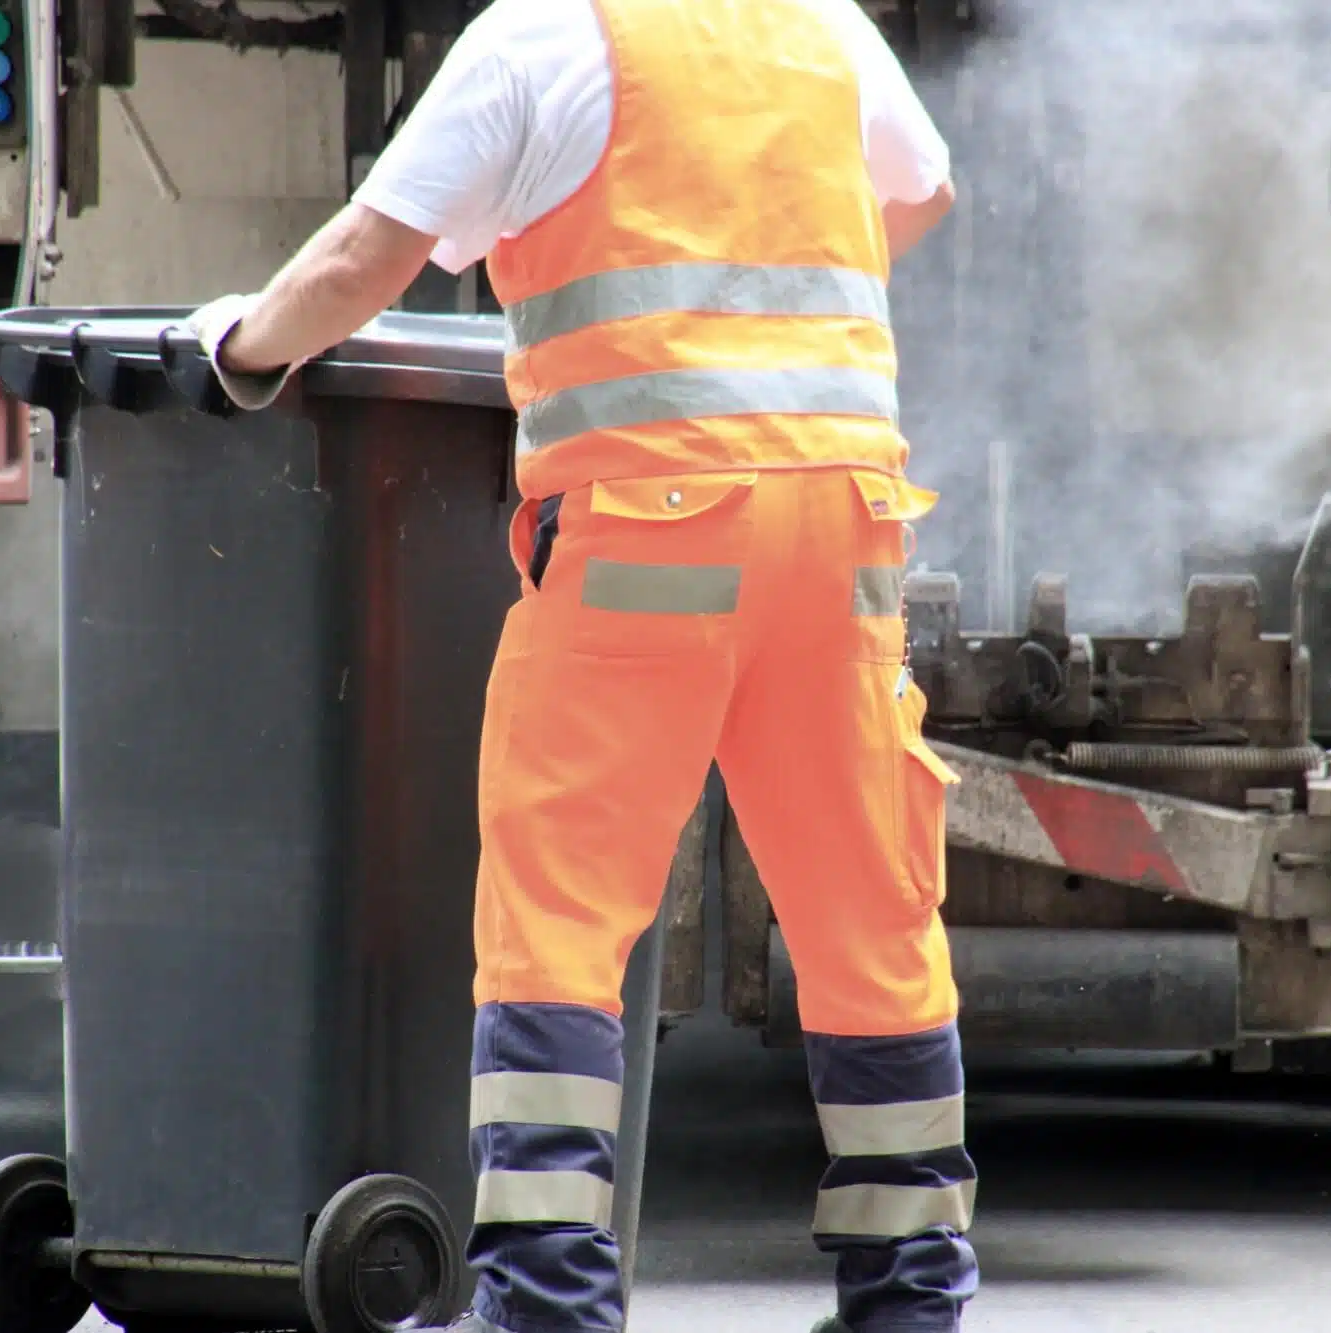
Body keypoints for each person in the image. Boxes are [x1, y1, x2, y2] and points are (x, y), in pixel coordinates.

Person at [184, 0, 975, 1329]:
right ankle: (909, 1298)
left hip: (652, 536)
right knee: (869, 922)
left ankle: (548, 1305)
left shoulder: (540, 37)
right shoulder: (821, 26)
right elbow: (925, 190)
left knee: (559, 928)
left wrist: (242, 350)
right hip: (843, 531)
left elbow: (360, 260)